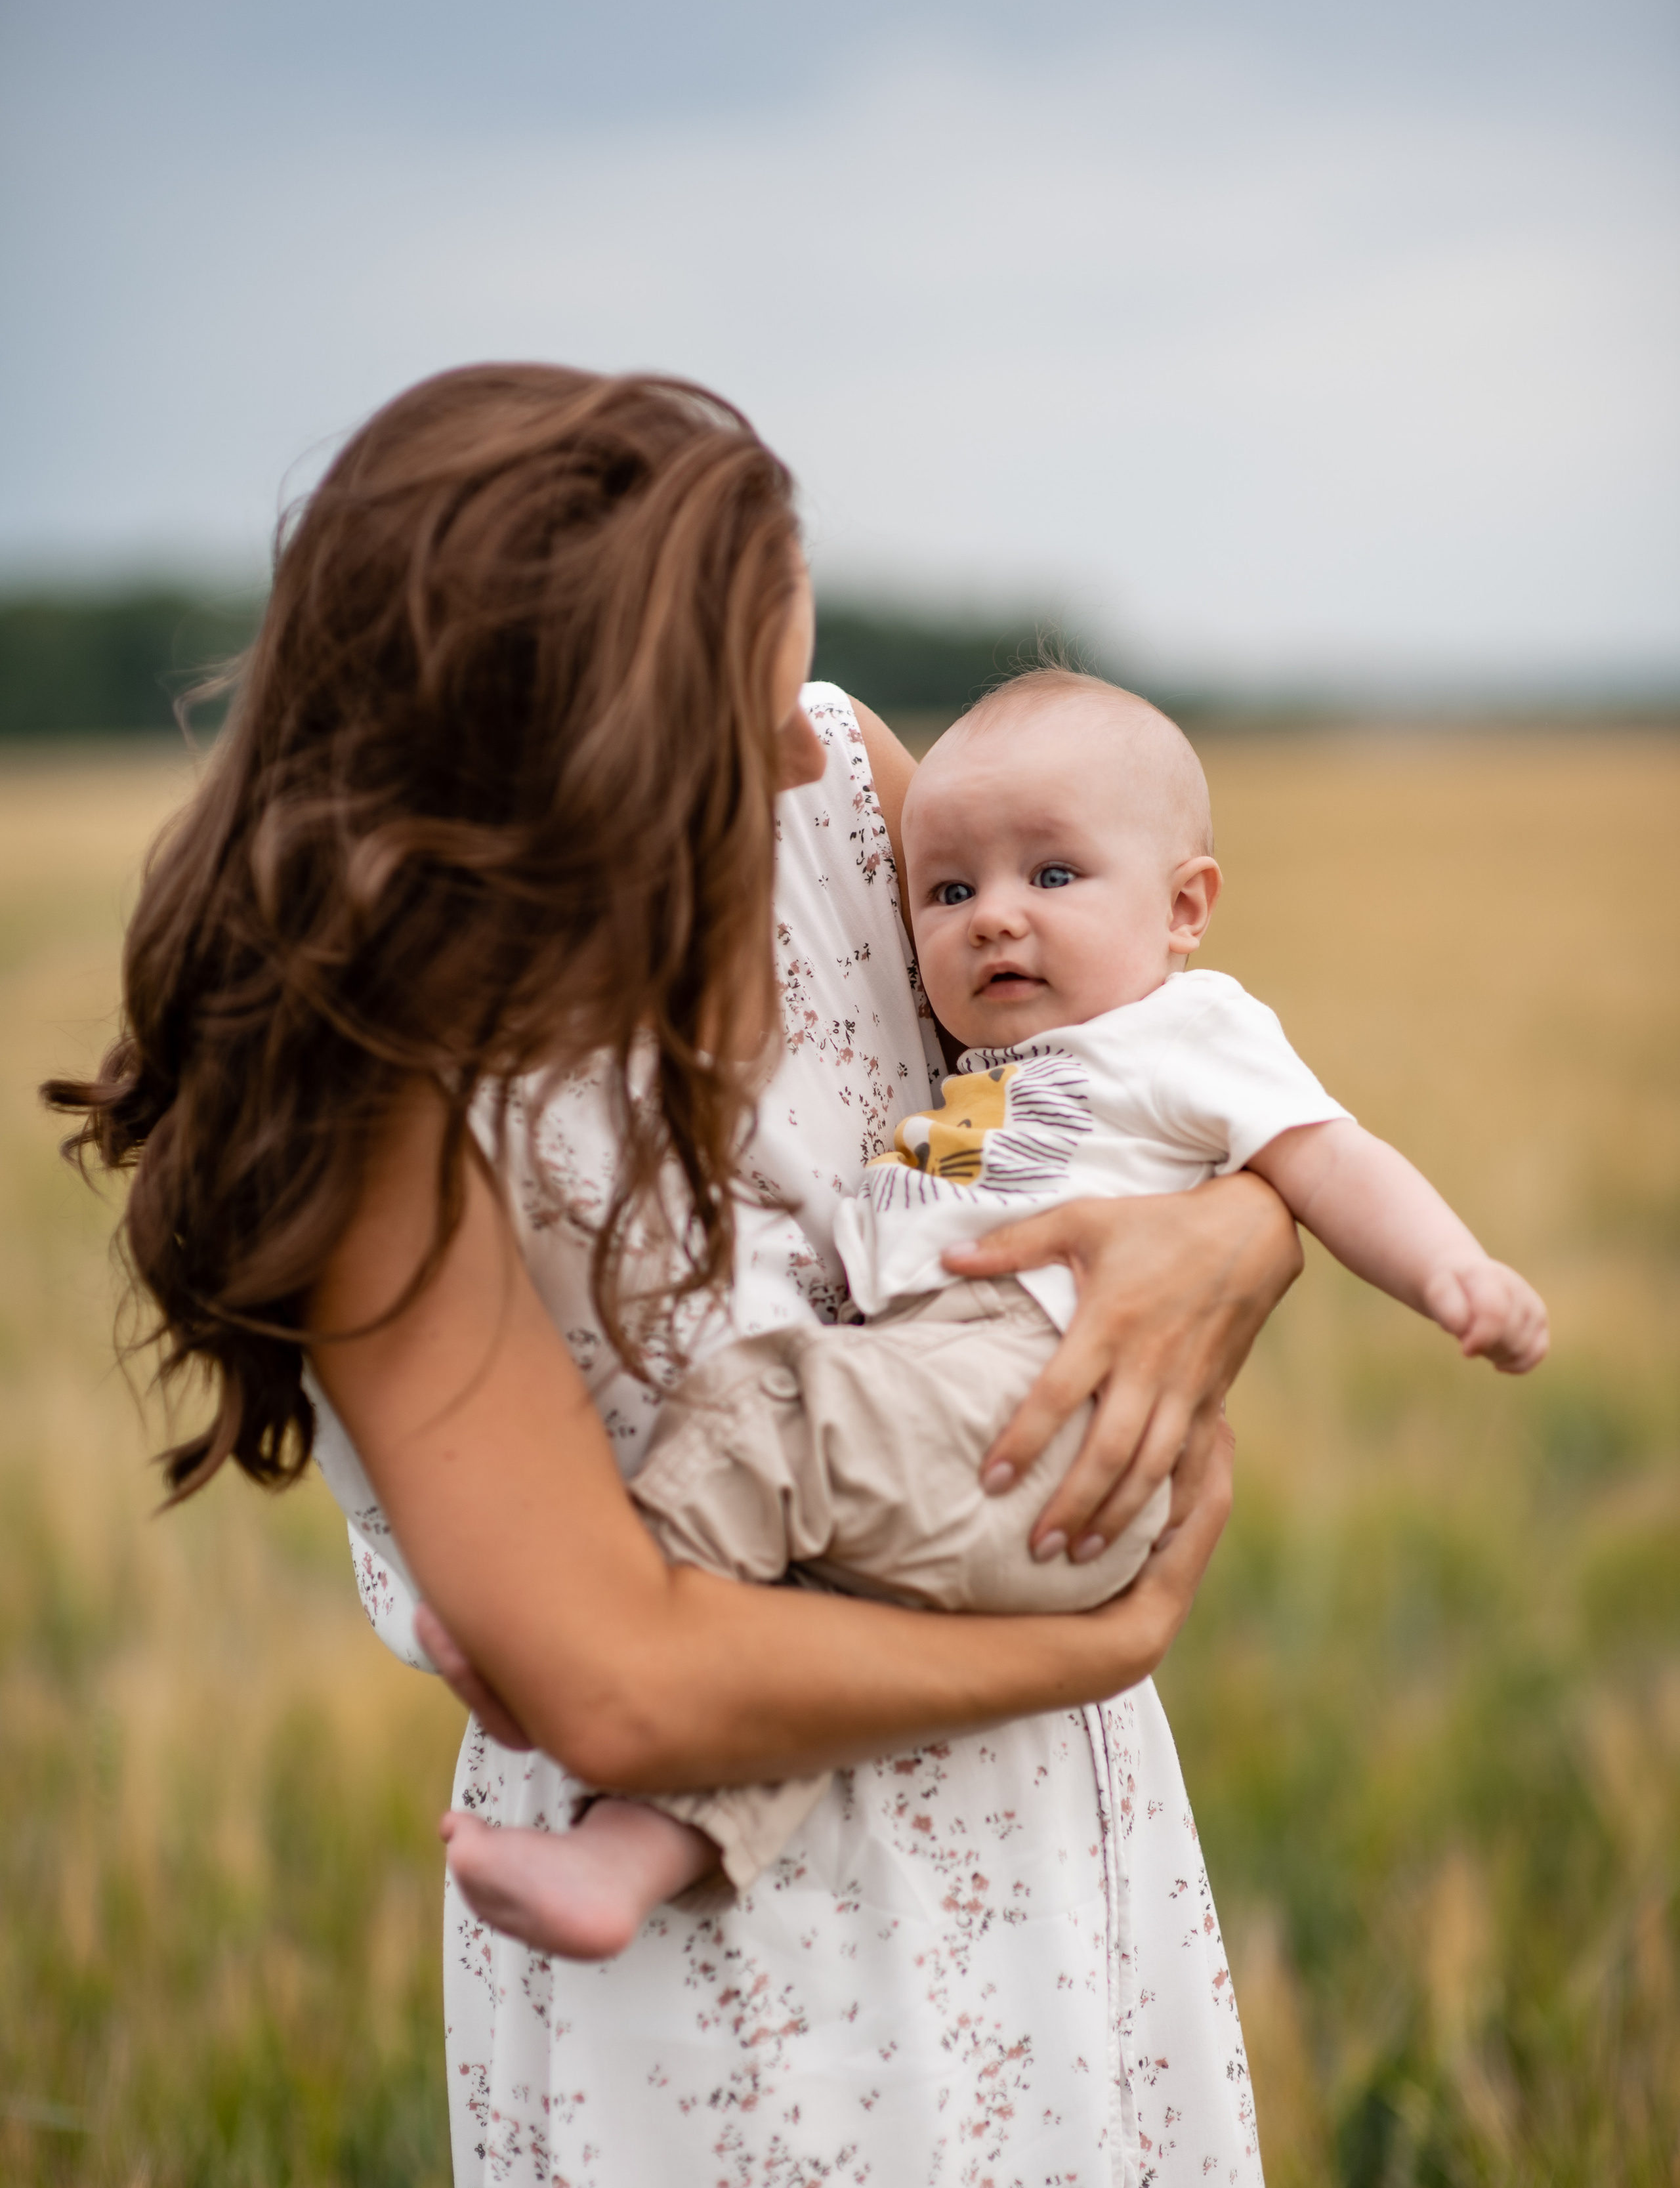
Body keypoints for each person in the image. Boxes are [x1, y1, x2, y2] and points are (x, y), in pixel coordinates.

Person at [49, 363, 1309, 2188]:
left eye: (796, 660)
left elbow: (1143, 1075)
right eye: (734, 699)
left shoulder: (834, 786)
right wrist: (1091, 1649)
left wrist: (1243, 1237)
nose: (800, 744)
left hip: (1062, 1869)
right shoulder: (385, 1097)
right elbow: (618, 1674)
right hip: (738, 1965)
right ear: (559, 747)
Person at [436, 667, 1548, 1956]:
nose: (992, 921)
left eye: (1052, 878)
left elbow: (1325, 1159)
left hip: (1051, 1407)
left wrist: (1453, 1273)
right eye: (948, 892)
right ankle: (634, 1853)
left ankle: (559, 1626)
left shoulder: (1189, 1030)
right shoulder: (982, 1071)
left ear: (1184, 906)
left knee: (764, 1403)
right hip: (949, 1409)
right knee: (808, 1611)